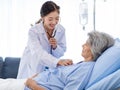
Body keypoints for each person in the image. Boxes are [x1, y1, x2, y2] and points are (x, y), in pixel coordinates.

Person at [0, 31, 115, 90]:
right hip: (28, 82)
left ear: (95, 48)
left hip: (28, 87)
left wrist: (33, 85)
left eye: (87, 44)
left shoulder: (85, 70)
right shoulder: (81, 65)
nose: (82, 45)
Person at [17, 1, 73, 79]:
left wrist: (55, 47)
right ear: (43, 17)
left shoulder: (61, 30)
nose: (54, 22)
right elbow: (38, 53)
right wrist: (57, 62)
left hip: (49, 67)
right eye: (50, 19)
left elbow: (61, 52)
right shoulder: (33, 31)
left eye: (57, 18)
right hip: (32, 65)